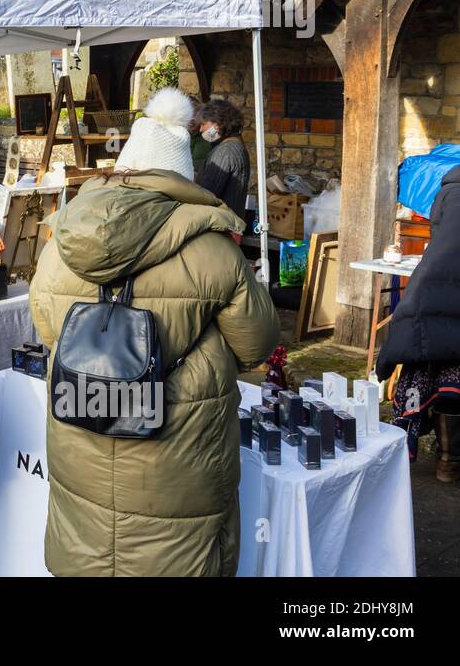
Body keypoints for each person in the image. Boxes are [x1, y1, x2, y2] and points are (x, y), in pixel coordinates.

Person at [28, 87, 279, 576]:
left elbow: (45, 327)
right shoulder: (213, 250)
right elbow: (256, 345)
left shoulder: (61, 242)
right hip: (177, 461)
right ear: (181, 173)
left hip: (84, 440)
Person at [381, 163, 460, 480]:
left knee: (436, 363)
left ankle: (441, 460)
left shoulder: (445, 190)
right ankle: (450, 460)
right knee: (457, 373)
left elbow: (438, 235)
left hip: (430, 288)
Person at [195, 97, 252, 224]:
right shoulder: (232, 146)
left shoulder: (226, 151)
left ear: (217, 124)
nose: (201, 129)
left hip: (222, 226)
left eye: (203, 124)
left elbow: (207, 194)